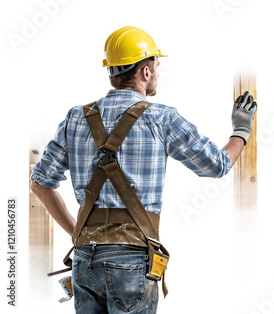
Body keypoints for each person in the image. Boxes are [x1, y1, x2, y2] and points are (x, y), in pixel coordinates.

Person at [30, 25, 257, 313]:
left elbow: (39, 184)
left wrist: (79, 234)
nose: (157, 74)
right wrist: (241, 130)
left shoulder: (76, 118)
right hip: (131, 262)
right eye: (156, 66)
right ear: (145, 72)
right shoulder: (161, 118)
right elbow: (218, 165)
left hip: (84, 260)